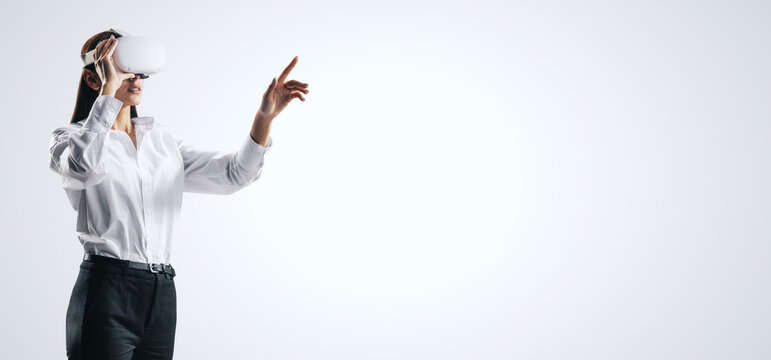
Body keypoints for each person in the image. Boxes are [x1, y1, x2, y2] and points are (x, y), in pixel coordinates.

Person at [48, 29, 310, 360]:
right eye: (122, 67)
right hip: (106, 288)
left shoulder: (163, 142)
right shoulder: (68, 139)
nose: (136, 78)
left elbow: (234, 174)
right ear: (93, 78)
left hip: (161, 292)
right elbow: (83, 168)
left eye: (140, 71)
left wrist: (265, 117)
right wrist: (109, 93)